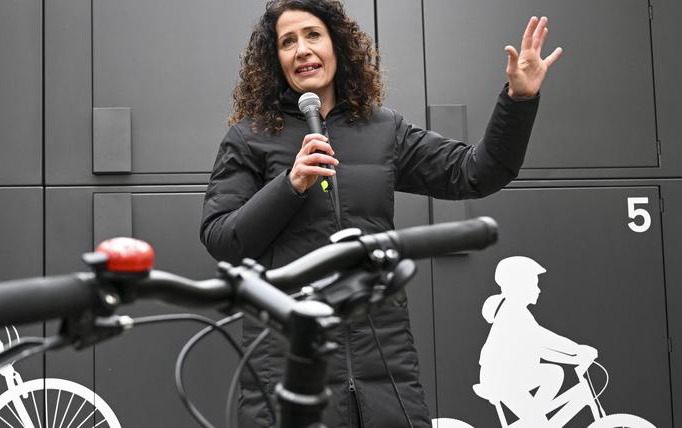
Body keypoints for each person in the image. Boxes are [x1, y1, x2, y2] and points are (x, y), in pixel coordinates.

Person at [199, 0, 562, 426]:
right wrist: (290, 184)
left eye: (313, 35)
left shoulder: (383, 128)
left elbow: (476, 172)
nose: (302, 50)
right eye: (287, 42)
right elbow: (222, 237)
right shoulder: (250, 137)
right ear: (274, 59)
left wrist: (519, 100)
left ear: (337, 44)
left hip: (384, 365)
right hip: (290, 365)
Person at [477, 257, 597, 427]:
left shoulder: (518, 312)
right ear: (518, 286)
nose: (538, 290)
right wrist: (576, 349)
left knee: (554, 374)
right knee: (539, 422)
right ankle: (535, 420)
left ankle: (532, 418)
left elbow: (541, 350)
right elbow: (542, 338)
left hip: (511, 376)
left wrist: (575, 359)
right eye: (534, 284)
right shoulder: (513, 314)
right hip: (502, 380)